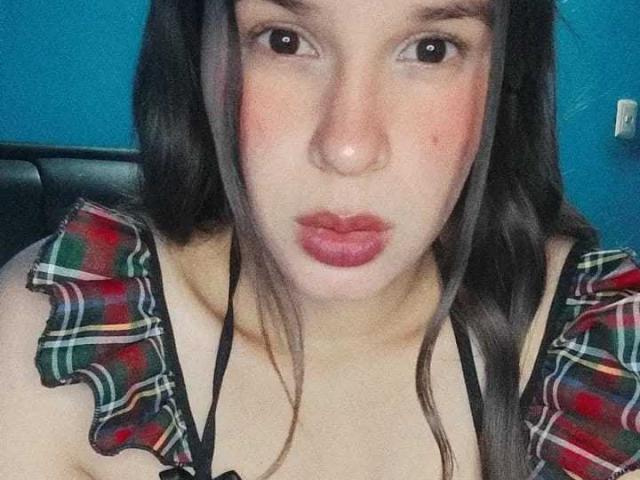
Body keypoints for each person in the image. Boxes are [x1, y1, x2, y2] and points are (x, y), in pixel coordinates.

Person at [0, 0, 639, 479]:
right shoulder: (45, 338)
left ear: (504, 71)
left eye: (431, 49)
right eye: (284, 41)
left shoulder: (611, 353)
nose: (348, 147)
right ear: (203, 49)